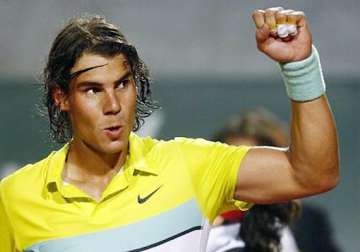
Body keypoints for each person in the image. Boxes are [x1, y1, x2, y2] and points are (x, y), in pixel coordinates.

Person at [0, 7, 339, 252]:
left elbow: (313, 174)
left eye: (123, 84)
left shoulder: (191, 166)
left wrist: (300, 66)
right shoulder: (15, 199)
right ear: (61, 97)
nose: (113, 104)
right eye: (93, 90)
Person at [207, 109, 300, 252]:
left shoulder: (276, 229)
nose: (240, 172)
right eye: (231, 160)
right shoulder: (190, 216)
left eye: (250, 163)